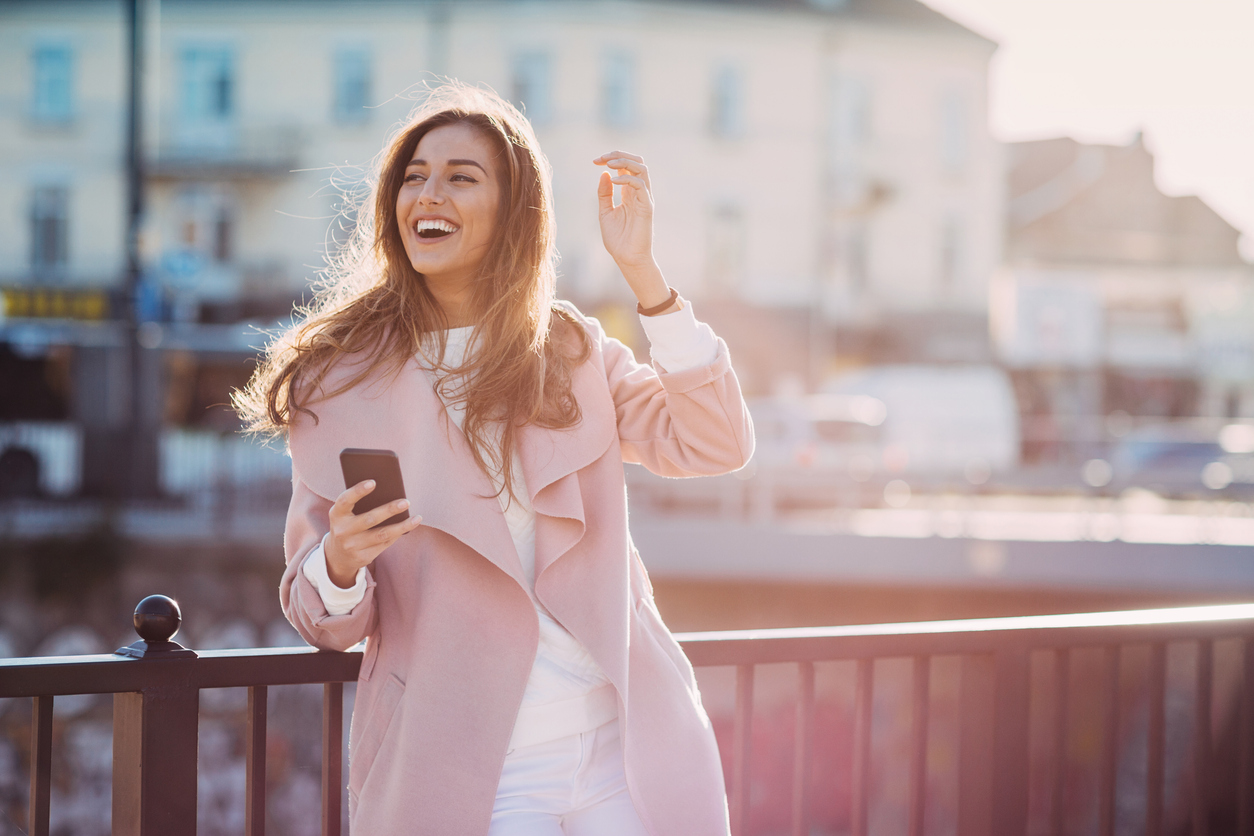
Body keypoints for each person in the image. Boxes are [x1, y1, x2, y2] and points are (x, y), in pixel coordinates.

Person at [236, 83, 753, 836]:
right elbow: (324, 619)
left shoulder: (569, 350)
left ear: (515, 212)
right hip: (476, 768)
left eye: (460, 176)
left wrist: (643, 274)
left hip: (622, 743)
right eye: (414, 175)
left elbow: (714, 441)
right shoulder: (341, 378)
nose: (428, 194)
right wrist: (341, 561)